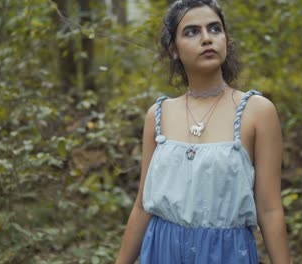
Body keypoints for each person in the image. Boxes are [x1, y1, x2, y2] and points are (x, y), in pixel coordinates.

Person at [116, 0, 291, 263]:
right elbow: (143, 205)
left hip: (227, 253)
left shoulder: (257, 112)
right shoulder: (158, 115)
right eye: (192, 31)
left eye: (214, 29)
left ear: (226, 40)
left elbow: (269, 210)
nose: (207, 38)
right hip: (163, 251)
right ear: (173, 50)